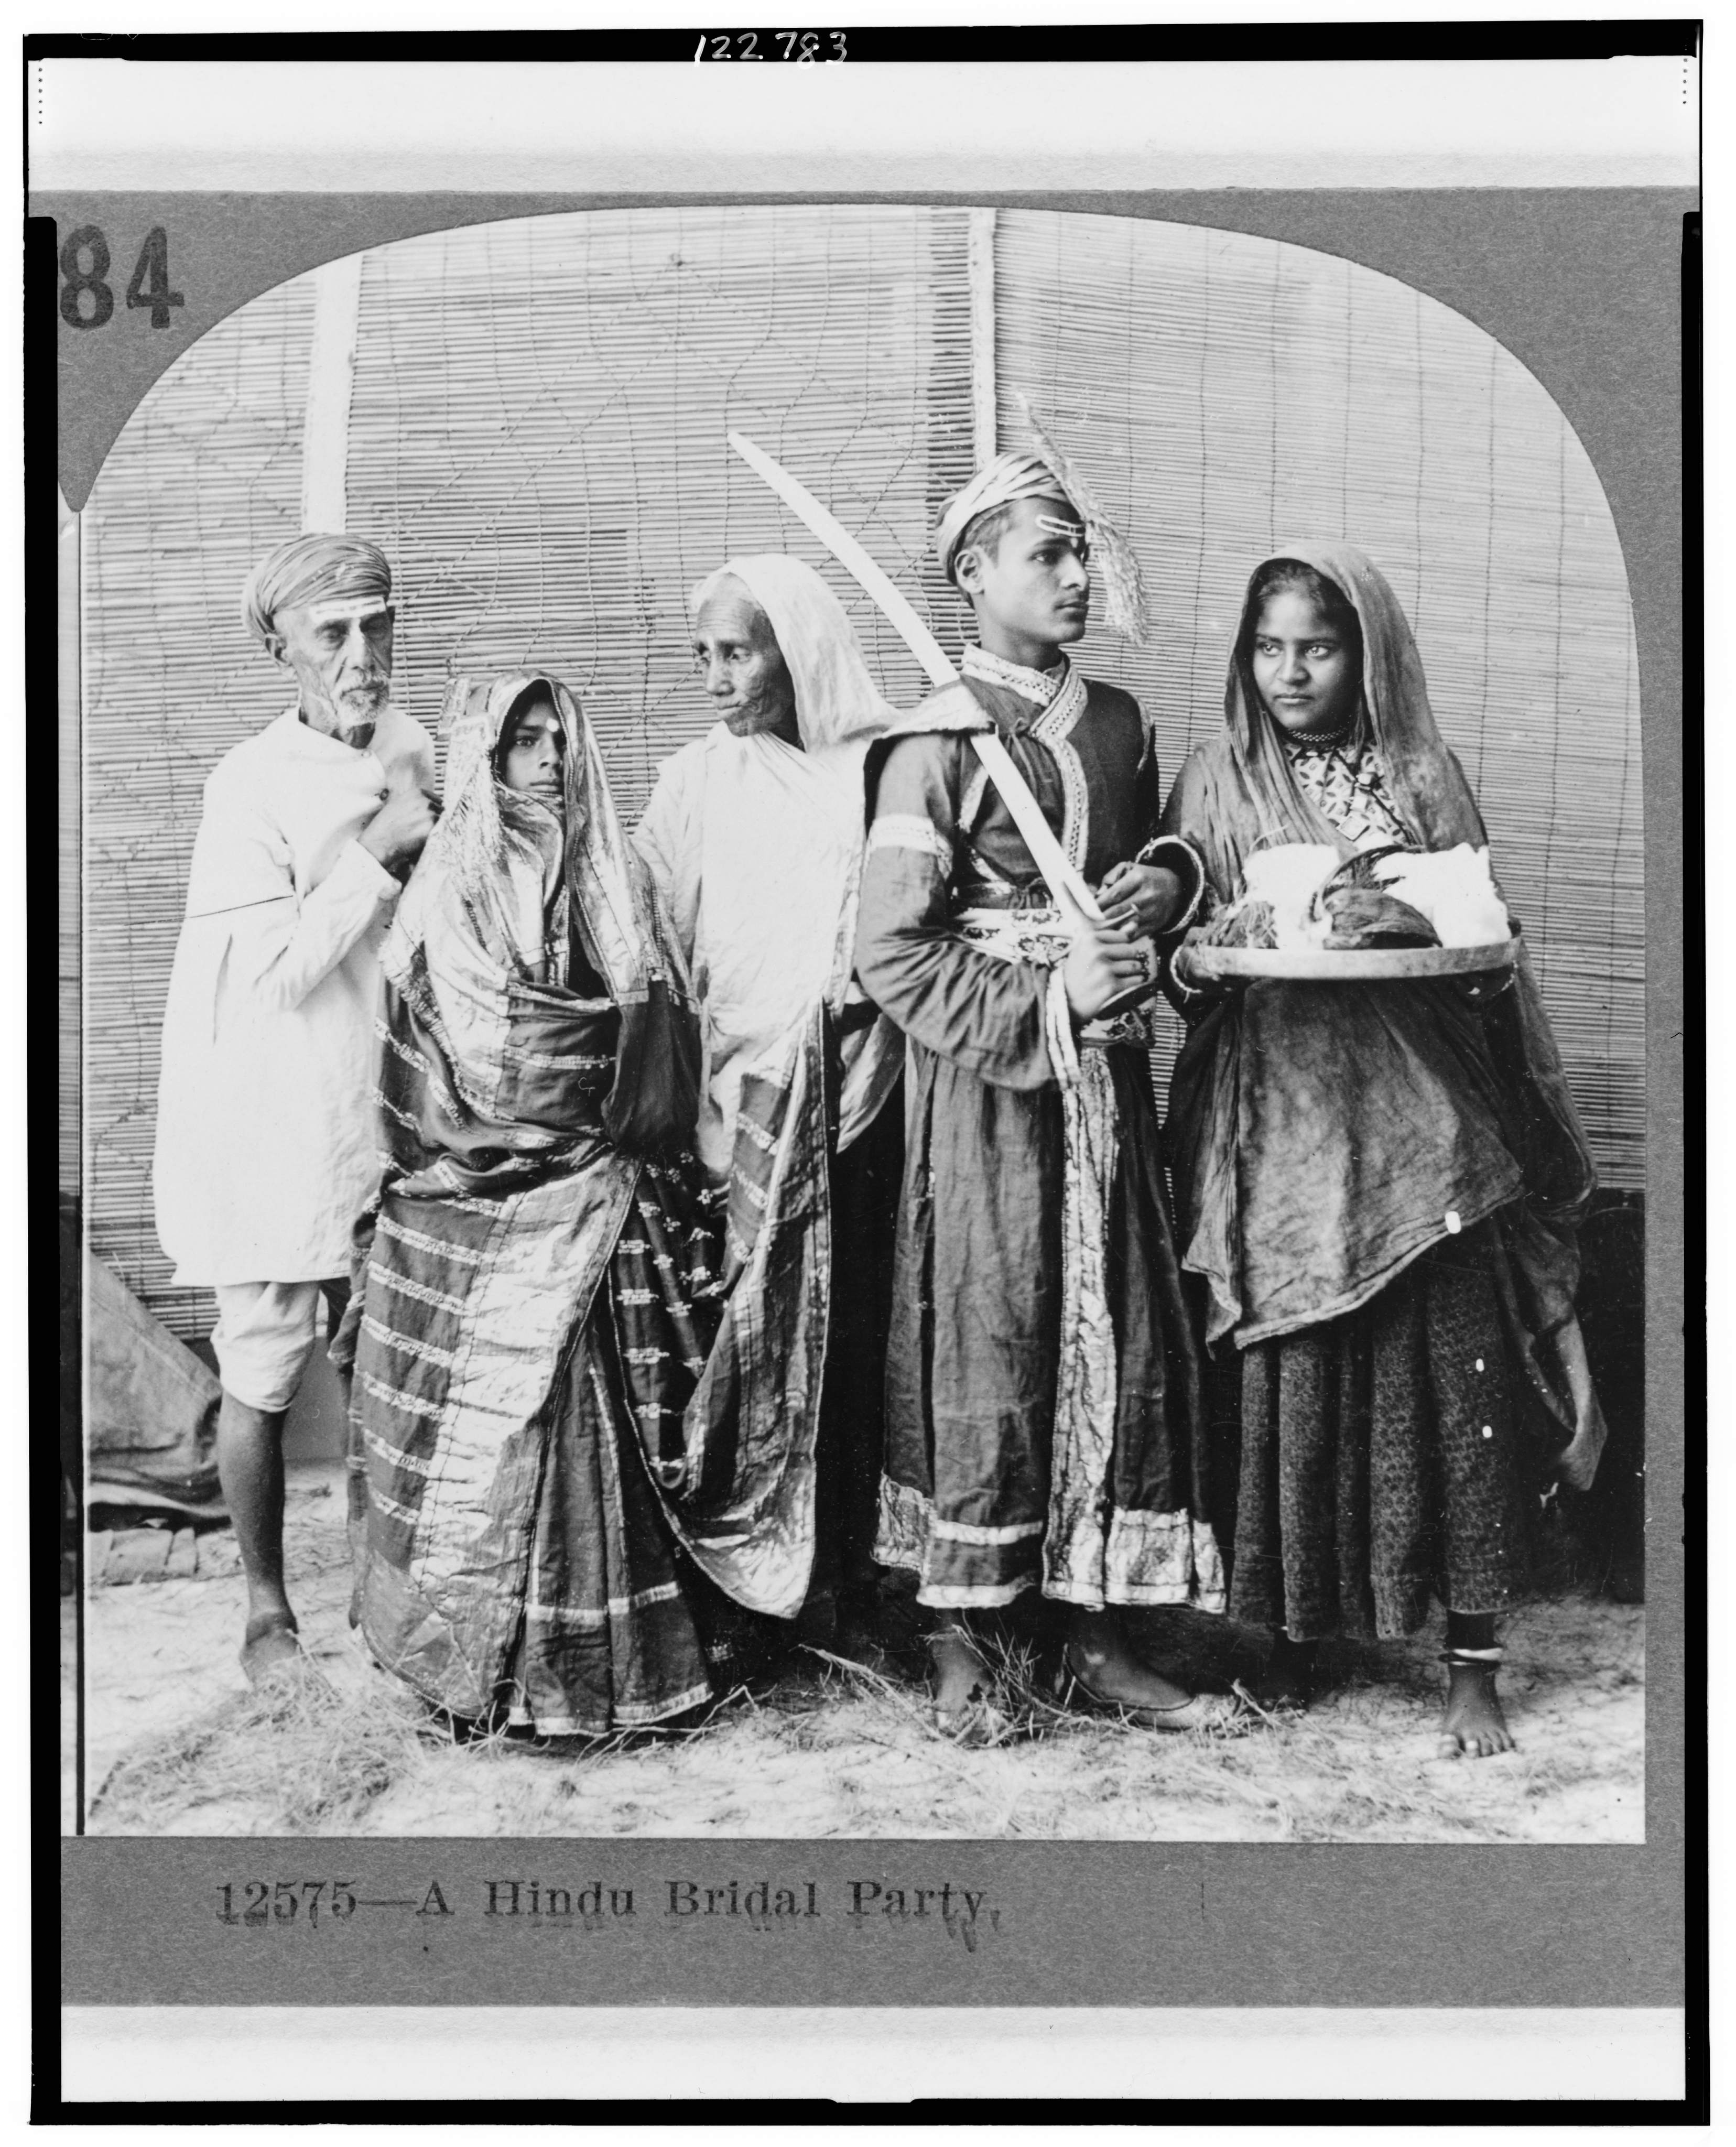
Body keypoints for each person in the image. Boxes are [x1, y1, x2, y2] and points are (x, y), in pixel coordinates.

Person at [1159, 544, 1608, 1758]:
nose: (1291, 671)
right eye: (1269, 647)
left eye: (1319, 645)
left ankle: (1471, 1664)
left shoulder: (1418, 769)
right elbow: (1184, 942)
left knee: (1454, 1392)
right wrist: (1200, 946)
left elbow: (1484, 935)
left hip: (1428, 1131)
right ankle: (1298, 1637)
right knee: (1300, 1379)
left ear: (1369, 652)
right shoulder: (1218, 773)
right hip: (1287, 1131)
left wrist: (1406, 915)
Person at [853, 446, 1234, 1741]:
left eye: (1081, 551)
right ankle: (963, 1629)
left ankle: (1096, 1629)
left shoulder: (1117, 721)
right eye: (1047, 554)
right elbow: (891, 949)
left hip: (1111, 1087)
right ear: (974, 576)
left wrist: (1165, 887)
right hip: (989, 1094)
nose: (1078, 575)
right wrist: (1044, 1002)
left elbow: (1160, 854)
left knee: (1114, 1329)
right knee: (989, 1326)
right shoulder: (931, 744)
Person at [345, 671, 807, 1735]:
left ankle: (621, 1673)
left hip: (607, 1188)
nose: (548, 759)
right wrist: (551, 1102)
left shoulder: (615, 874)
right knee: (512, 1426)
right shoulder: (448, 890)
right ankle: (501, 1679)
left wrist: (595, 1091)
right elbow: (460, 1041)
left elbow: (656, 1017)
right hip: (490, 1192)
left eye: (560, 737)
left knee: (610, 1416)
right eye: (523, 742)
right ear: (484, 758)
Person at [152, 534, 436, 1684]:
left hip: (388, 1090)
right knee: (263, 1365)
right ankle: (267, 1611)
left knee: (394, 1349)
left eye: (377, 623)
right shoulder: (248, 784)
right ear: (282, 647)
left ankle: (399, 1590)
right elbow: (273, 967)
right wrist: (377, 851)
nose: (362, 652)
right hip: (274, 1101)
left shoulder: (414, 744)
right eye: (334, 632)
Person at [634, 556, 905, 1655]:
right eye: (702, 654)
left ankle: (851, 1580)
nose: (716, 677)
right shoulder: (693, 782)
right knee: (740, 1336)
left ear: (797, 651)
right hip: (735, 1099)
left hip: (858, 1090)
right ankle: (753, 1593)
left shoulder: (874, 770)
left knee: (852, 1336)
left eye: (735, 651)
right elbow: (646, 923)